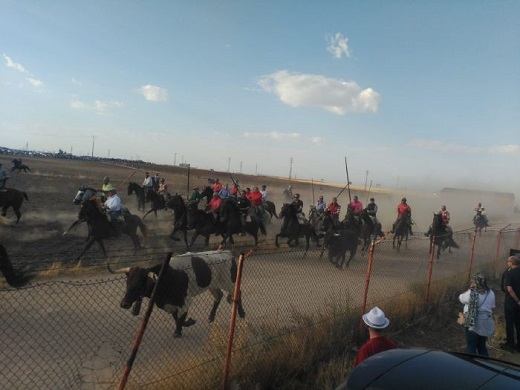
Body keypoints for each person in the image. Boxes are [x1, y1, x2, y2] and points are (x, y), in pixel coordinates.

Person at [459, 273, 495, 356]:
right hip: (486, 320)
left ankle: (471, 365)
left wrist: (469, 290)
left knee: (471, 346)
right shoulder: (491, 292)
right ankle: (486, 365)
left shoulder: (471, 293)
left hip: (472, 322)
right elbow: (492, 306)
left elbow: (461, 298)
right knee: (482, 346)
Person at [501, 256, 520, 352]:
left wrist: (517, 300)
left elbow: (509, 289)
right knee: (518, 323)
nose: (507, 262)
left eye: (507, 261)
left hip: (511, 303)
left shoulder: (509, 273)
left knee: (509, 323)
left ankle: (510, 344)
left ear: (512, 263)